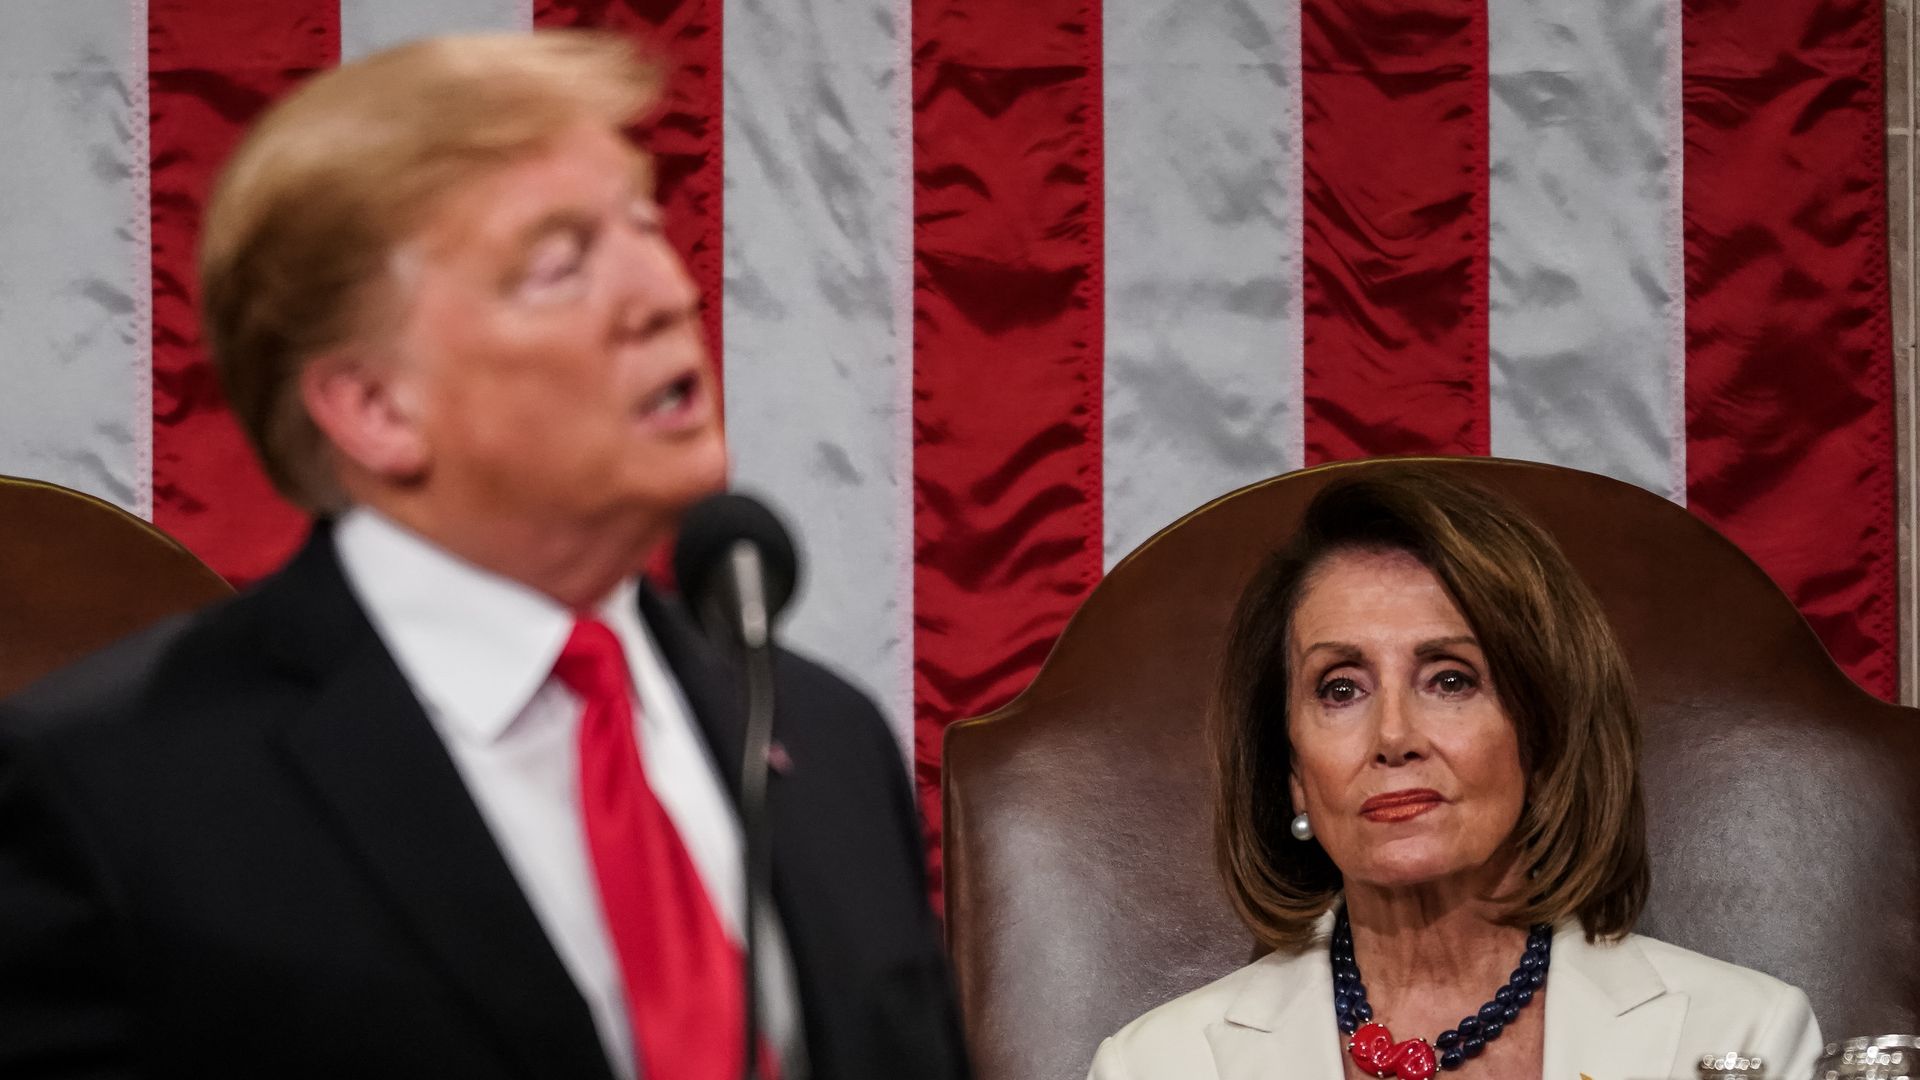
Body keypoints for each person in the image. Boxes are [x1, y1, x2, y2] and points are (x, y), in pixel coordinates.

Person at [0, 31, 966, 1080]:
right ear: (375, 408)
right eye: (560, 265)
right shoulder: (113, 790)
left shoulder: (822, 739)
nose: (662, 292)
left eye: (646, 225)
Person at [1088, 464, 1821, 1080]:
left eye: (1450, 679)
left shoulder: (1743, 1037)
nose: (1395, 737)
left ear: (1544, 730)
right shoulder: (1159, 1063)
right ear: (1293, 773)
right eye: (1340, 688)